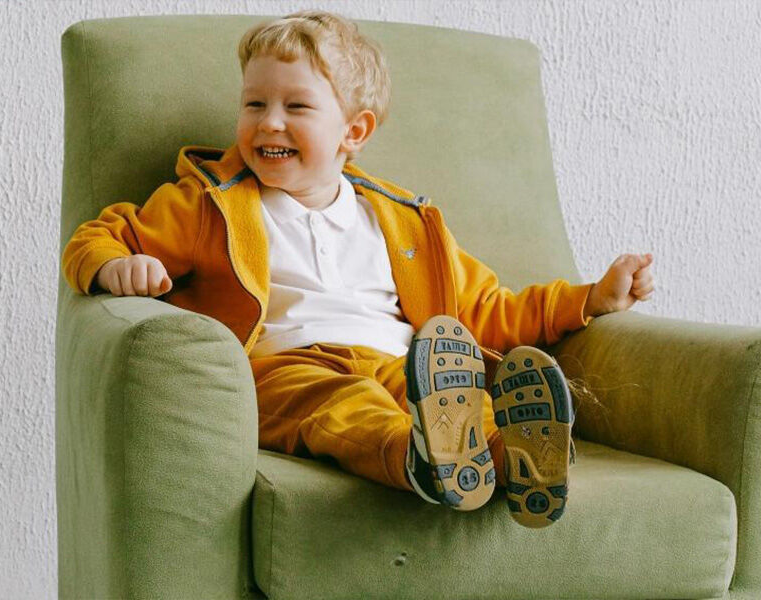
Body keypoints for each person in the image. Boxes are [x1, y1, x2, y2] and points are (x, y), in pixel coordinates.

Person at [61, 10, 655, 528]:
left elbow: (485, 308)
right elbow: (97, 237)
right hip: (285, 366)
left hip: (404, 365)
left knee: (464, 402)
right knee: (344, 407)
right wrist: (117, 267)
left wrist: (588, 299)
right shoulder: (209, 203)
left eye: (296, 106)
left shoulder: (402, 221)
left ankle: (516, 460)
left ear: (354, 130)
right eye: (254, 104)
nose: (268, 122)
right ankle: (418, 461)